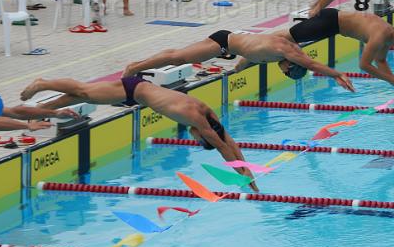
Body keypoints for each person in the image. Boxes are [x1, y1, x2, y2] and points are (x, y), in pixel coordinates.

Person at [20, 77, 260, 192]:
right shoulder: (197, 120)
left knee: (81, 96)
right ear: (204, 136)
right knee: (84, 91)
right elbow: (222, 146)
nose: (195, 140)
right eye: (200, 142)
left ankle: (42, 109)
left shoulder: (207, 113)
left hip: (140, 89)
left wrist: (248, 173)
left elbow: (228, 141)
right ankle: (43, 83)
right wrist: (243, 176)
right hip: (134, 90)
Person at [235, 9, 394, 89]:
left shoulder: (388, 37)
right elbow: (364, 65)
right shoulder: (381, 35)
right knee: (286, 37)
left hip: (334, 26)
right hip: (330, 22)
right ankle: (247, 53)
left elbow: (380, 60)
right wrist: (390, 79)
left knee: (287, 38)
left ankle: (252, 49)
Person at [121, 31, 356, 92]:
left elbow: (249, 58)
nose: (282, 72)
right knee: (178, 57)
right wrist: (336, 74)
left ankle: (137, 66)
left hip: (227, 45)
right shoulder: (287, 51)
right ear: (292, 66)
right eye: (286, 73)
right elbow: (312, 64)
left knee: (178, 55)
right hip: (223, 44)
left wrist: (235, 71)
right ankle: (135, 67)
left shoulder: (281, 54)